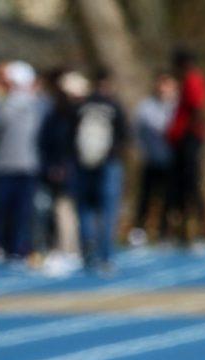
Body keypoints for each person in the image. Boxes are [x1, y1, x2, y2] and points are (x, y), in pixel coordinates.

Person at [0, 60, 42, 263]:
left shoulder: (5, 106)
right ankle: (15, 247)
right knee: (19, 212)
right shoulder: (36, 106)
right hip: (25, 166)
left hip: (3, 166)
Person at [72, 70, 128, 274]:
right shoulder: (114, 106)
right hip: (109, 164)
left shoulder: (80, 106)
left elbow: (68, 136)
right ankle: (106, 257)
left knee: (85, 209)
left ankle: (88, 254)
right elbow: (124, 135)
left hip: (82, 165)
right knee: (108, 211)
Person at [131, 71, 178, 244]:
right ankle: (139, 230)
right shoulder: (146, 106)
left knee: (169, 197)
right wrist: (143, 151)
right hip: (151, 159)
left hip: (172, 160)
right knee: (146, 196)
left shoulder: (178, 106)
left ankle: (165, 232)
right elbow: (138, 132)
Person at [167, 49, 205, 243]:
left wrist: (191, 131)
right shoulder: (187, 81)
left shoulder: (192, 80)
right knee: (183, 185)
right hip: (183, 138)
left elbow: (197, 107)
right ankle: (186, 229)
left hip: (189, 138)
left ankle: (199, 226)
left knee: (190, 183)